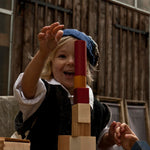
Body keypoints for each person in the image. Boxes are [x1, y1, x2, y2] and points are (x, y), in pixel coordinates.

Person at [14, 22, 120, 150]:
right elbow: (27, 87)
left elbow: (98, 140)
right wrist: (43, 53)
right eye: (62, 56)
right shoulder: (43, 92)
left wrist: (111, 137)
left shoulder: (96, 107)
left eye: (78, 57)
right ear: (50, 63)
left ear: (88, 68)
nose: (70, 62)